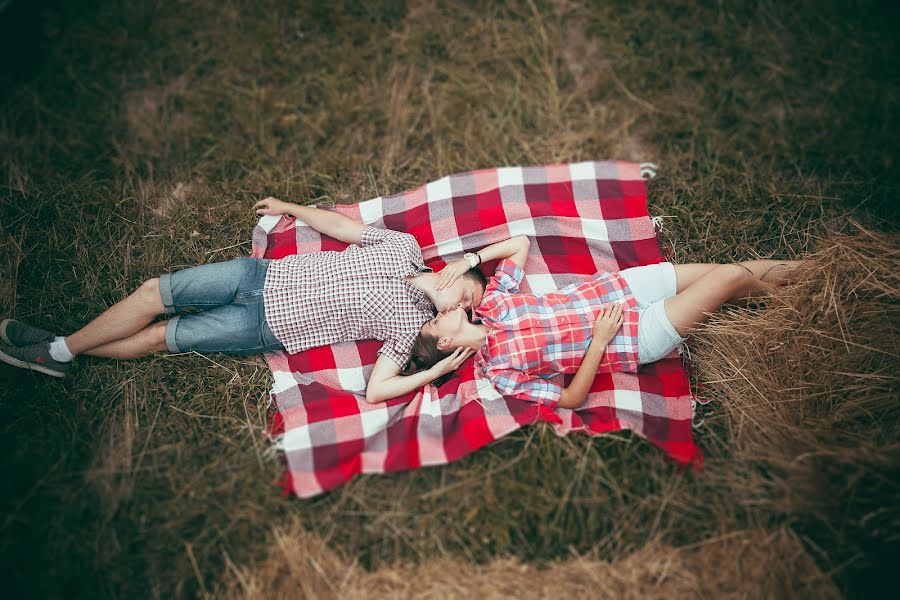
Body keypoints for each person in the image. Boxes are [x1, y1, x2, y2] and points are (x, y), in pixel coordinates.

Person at [0, 197, 518, 402]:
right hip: (258, 275)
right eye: (472, 287)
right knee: (153, 293)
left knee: (162, 337)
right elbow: (340, 225)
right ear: (458, 266)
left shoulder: (409, 328)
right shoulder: (402, 246)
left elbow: (380, 389)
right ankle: (61, 351)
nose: (467, 300)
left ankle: (58, 351)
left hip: (265, 328)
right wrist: (292, 207)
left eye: (471, 307)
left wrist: (438, 366)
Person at [390, 234, 805, 409]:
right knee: (731, 278)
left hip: (624, 288)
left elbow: (520, 243)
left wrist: (471, 259)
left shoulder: (494, 302)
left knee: (728, 271)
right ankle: (811, 299)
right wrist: (600, 342)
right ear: (445, 345)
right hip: (635, 336)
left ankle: (816, 273)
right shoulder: (499, 373)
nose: (442, 310)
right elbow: (570, 399)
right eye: (436, 322)